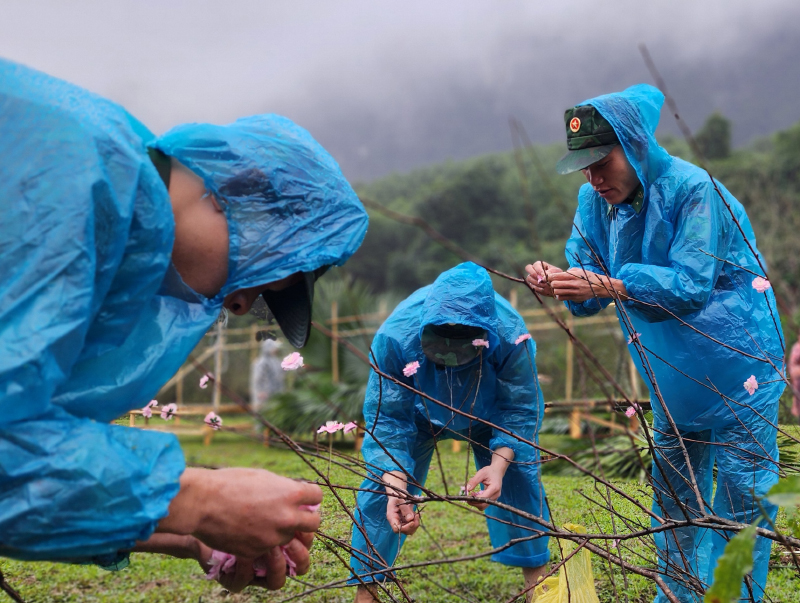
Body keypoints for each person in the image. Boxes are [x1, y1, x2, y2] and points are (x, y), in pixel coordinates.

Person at [0, 58, 368, 593]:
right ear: (233, 193)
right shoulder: (78, 178)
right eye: (261, 277)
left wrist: (187, 531)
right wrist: (195, 500)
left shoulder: (110, 211)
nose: (241, 305)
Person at [525, 84, 784, 602]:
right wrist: (561, 281)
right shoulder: (594, 201)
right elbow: (590, 280)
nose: (595, 178)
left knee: (741, 499)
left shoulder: (693, 190)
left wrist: (616, 284)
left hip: (737, 368)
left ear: (636, 145)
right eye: (585, 167)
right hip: (671, 373)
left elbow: (690, 284)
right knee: (676, 499)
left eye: (604, 162)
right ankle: (680, 594)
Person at [349, 262, 550, 603]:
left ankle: (538, 588)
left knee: (519, 477)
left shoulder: (512, 335)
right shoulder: (395, 337)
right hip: (418, 415)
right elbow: (388, 420)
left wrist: (498, 466)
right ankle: (366, 593)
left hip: (488, 417)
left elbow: (519, 408)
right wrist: (396, 481)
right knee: (382, 492)